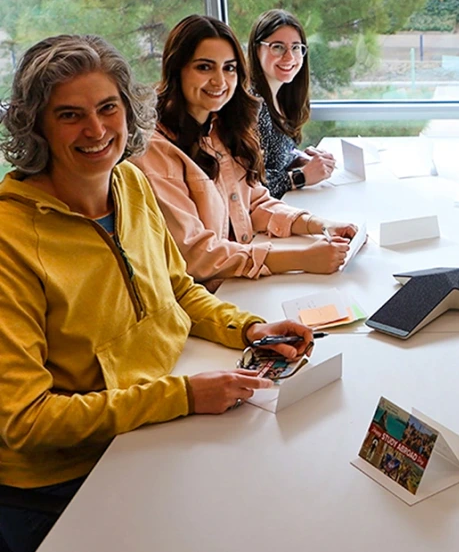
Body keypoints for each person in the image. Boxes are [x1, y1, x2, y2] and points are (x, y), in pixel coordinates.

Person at [0, 35, 315, 552]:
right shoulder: (10, 239)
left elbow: (177, 289)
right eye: (69, 115)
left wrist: (249, 329)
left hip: (149, 423)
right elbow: (26, 420)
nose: (97, 130)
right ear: (35, 126)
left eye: (108, 107)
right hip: (63, 481)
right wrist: (185, 396)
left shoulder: (128, 181)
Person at [132, 14, 357, 291]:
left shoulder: (220, 126)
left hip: (238, 282)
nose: (220, 81)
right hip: (200, 300)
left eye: (229, 68)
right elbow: (196, 256)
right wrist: (301, 258)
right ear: (176, 69)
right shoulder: (155, 149)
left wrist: (319, 225)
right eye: (204, 67)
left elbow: (253, 203)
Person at [247, 9, 335, 199]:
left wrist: (299, 159)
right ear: (256, 49)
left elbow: (273, 159)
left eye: (296, 47)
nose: (289, 57)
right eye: (277, 47)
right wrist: (301, 176)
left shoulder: (283, 95)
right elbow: (248, 184)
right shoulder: (254, 105)